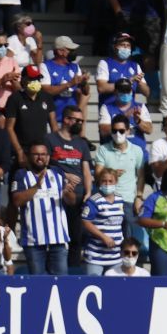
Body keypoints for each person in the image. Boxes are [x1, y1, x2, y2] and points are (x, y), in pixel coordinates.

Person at [11, 142, 78, 275]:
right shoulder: (21, 175)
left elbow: (72, 201)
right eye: (36, 154)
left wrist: (67, 193)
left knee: (61, 283)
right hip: (33, 241)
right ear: (29, 156)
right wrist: (36, 186)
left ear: (48, 157)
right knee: (38, 285)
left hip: (58, 240)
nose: (40, 157)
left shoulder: (58, 173)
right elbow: (16, 201)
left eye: (43, 154)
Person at [46, 105, 93, 267]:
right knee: (55, 238)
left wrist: (88, 192)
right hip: (56, 197)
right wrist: (64, 175)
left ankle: (73, 272)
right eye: (77, 120)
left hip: (79, 197)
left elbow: (86, 171)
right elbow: (42, 165)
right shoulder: (50, 139)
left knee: (76, 238)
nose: (80, 123)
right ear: (66, 120)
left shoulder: (81, 143)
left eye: (82, 120)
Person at [94, 114, 147, 256]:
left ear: (128, 131)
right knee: (108, 240)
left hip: (128, 201)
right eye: (114, 131)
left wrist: (139, 196)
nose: (118, 134)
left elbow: (141, 176)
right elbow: (97, 174)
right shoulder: (103, 150)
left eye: (122, 131)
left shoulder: (137, 151)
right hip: (107, 201)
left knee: (128, 241)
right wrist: (110, 174)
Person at [6, 66, 58, 170]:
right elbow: (9, 128)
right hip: (22, 149)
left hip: (42, 150)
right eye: (32, 79)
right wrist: (19, 152)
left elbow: (54, 124)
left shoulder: (46, 97)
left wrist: (56, 148)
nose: (35, 82)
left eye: (37, 79)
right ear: (24, 80)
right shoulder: (15, 98)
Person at [81, 167, 125, 275]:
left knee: (114, 289)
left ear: (116, 182)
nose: (107, 184)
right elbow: (85, 221)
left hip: (116, 256)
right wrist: (103, 237)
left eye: (110, 181)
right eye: (104, 181)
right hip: (96, 256)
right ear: (99, 182)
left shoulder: (120, 199)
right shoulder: (94, 200)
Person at [41, 36, 90, 125]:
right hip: (52, 120)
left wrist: (84, 82)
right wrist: (69, 84)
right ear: (60, 51)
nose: (73, 52)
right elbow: (46, 90)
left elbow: (85, 92)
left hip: (72, 120)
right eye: (70, 50)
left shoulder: (75, 67)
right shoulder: (46, 66)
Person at [95, 32, 150, 108]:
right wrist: (127, 82)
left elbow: (147, 92)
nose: (125, 48)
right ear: (114, 47)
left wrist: (140, 82)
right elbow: (101, 88)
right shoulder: (105, 64)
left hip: (130, 110)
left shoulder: (135, 66)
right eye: (122, 45)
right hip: (109, 108)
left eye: (128, 46)